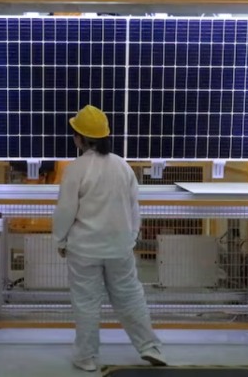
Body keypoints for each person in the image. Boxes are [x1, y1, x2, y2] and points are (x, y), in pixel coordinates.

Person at [52, 105, 167, 372]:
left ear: (80, 138)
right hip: (120, 248)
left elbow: (66, 210)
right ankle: (150, 347)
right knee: (131, 298)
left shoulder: (76, 169)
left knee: (87, 303)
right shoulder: (122, 166)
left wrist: (60, 240)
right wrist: (131, 237)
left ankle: (86, 357)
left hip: (84, 250)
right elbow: (134, 207)